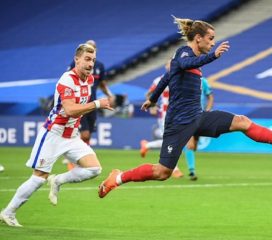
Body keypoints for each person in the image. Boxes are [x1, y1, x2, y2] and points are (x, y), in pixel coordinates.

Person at [98, 16, 272, 198]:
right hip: (178, 123)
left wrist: (152, 98)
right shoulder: (184, 54)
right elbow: (181, 66)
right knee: (162, 173)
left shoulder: (193, 61)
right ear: (198, 38)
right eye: (210, 39)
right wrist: (213, 56)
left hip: (197, 117)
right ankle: (117, 177)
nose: (212, 43)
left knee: (242, 122)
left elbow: (166, 77)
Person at [0, 43, 113, 227]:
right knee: (38, 178)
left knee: (94, 169)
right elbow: (69, 110)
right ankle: (8, 212)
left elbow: (79, 110)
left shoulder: (89, 80)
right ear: (76, 59)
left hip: (72, 135)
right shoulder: (67, 80)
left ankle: (58, 180)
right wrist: (97, 104)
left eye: (93, 60)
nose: (91, 63)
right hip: (53, 134)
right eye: (86, 59)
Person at [64, 40, 113, 170]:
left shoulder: (100, 66)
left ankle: (83, 160)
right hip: (80, 104)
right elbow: (69, 80)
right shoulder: (76, 64)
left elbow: (102, 83)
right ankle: (73, 160)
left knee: (88, 135)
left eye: (93, 47)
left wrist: (109, 94)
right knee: (84, 134)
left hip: (94, 104)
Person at [140, 60, 184, 178]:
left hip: (178, 114)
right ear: (165, 66)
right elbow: (148, 94)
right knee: (171, 140)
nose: (171, 66)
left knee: (174, 140)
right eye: (169, 64)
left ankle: (147, 145)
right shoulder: (159, 79)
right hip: (165, 114)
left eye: (173, 63)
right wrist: (152, 105)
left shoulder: (181, 78)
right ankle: (174, 168)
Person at [184, 76, 214, 180]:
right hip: (187, 116)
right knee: (190, 144)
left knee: (194, 146)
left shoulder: (203, 81)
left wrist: (208, 110)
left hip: (200, 116)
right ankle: (192, 171)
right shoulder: (183, 80)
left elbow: (210, 97)